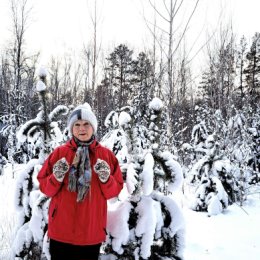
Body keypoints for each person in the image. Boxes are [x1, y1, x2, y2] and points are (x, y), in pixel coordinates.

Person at [37, 103, 124, 260]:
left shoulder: (106, 156)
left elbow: (114, 192)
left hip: (91, 233)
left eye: (86, 124)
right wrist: (55, 177)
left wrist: (106, 179)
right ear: (71, 129)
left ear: (93, 127)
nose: (81, 128)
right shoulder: (59, 153)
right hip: (61, 232)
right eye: (76, 125)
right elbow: (46, 188)